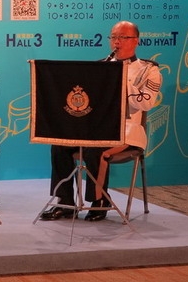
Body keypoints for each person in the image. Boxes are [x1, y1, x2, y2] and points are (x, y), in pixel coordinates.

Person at [41, 20, 162, 222]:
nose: (117, 42)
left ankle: (100, 201)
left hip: (127, 132)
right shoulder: (100, 67)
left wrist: (119, 78)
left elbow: (146, 103)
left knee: (95, 150)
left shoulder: (149, 70)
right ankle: (65, 202)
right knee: (60, 145)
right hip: (96, 129)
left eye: (123, 37)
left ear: (136, 41)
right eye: (113, 37)